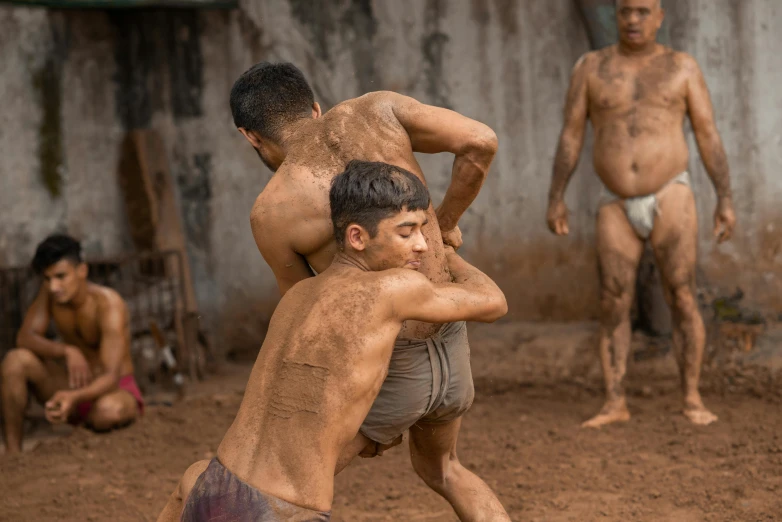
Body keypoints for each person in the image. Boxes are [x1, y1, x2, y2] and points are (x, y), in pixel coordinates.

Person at [157, 161, 508, 521]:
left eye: (424, 231)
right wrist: (448, 254)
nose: (422, 245)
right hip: (286, 512)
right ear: (357, 237)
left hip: (213, 486)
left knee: (193, 474)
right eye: (406, 233)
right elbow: (493, 302)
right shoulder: (395, 288)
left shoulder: (297, 295)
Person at [230, 61, 506, 516]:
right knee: (445, 470)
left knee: (279, 480)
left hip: (390, 362)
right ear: (314, 108)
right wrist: (446, 224)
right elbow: (482, 142)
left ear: (251, 136)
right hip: (451, 337)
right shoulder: (380, 110)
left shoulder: (272, 211)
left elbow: (308, 312)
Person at [546, 0, 736, 428]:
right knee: (613, 300)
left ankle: (691, 398)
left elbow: (708, 134)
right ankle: (615, 401)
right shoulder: (592, 68)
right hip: (615, 199)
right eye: (626, 11)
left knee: (682, 294)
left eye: (643, 11)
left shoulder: (682, 68)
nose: (633, 20)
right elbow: (571, 135)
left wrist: (725, 197)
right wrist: (556, 196)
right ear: (616, 15)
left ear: (660, 16)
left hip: (672, 192)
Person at [1, 234, 143, 454]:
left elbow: (111, 376)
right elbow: (25, 337)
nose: (53, 286)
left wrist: (73, 397)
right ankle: (13, 455)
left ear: (82, 271)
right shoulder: (51, 294)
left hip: (111, 389)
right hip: (73, 385)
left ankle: (89, 430)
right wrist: (67, 350)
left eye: (60, 276)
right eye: (47, 279)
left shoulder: (108, 304)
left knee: (108, 410)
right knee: (15, 360)